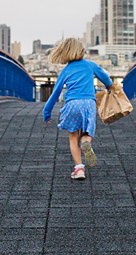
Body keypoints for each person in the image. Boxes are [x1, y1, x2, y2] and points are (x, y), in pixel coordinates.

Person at [43, 37, 113, 180]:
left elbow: (55, 93)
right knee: (86, 132)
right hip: (89, 103)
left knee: (73, 137)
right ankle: (86, 142)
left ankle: (79, 169)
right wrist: (109, 87)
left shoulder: (66, 71)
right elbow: (105, 78)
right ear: (81, 50)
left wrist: (47, 112)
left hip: (72, 104)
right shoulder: (90, 65)